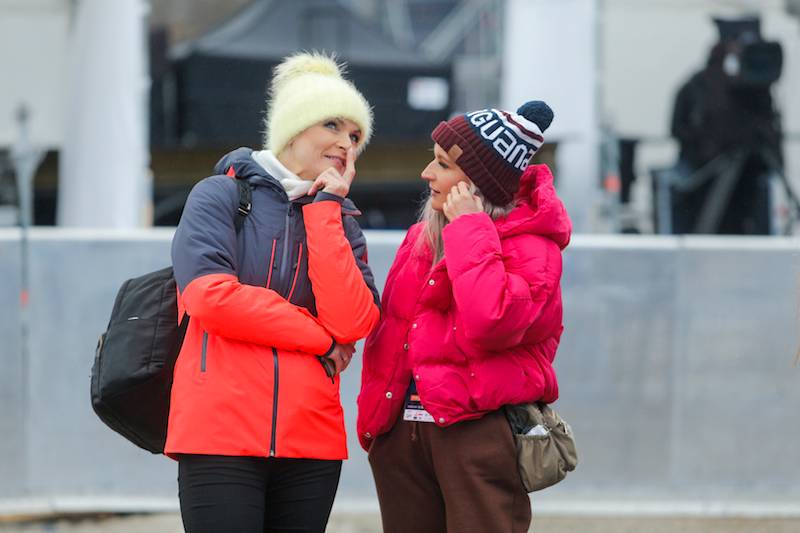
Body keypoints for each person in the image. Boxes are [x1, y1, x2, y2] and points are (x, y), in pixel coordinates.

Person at [167, 52, 381, 533]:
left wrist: (326, 211)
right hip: (218, 436)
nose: (346, 143)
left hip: (312, 442)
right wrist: (319, 339)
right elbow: (210, 298)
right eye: (332, 125)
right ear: (294, 127)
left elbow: (354, 323)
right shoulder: (219, 195)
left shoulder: (342, 220)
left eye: (355, 136)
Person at [357, 101, 572, 533]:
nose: (426, 174)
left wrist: (470, 229)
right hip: (402, 437)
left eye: (441, 165)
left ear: (477, 185)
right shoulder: (421, 235)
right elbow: (394, 329)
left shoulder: (534, 247)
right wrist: (381, 428)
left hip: (475, 435)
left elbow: (492, 321)